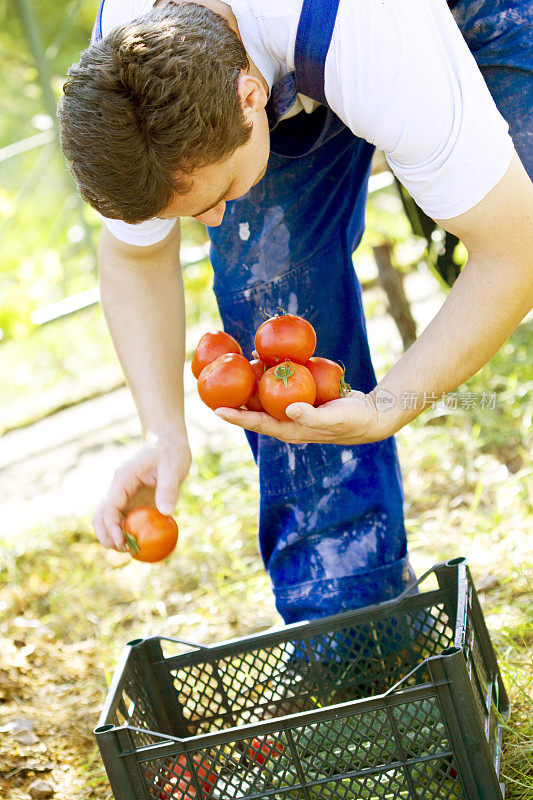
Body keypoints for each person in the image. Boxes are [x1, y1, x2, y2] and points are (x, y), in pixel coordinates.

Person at [58, 0, 533, 624]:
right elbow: (134, 258)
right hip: (282, 56)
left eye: (220, 193)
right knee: (279, 326)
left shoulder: (374, 40)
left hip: (451, 15)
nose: (214, 223)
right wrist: (161, 430)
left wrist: (388, 405)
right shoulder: (132, 86)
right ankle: (352, 630)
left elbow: (516, 251)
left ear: (250, 95)